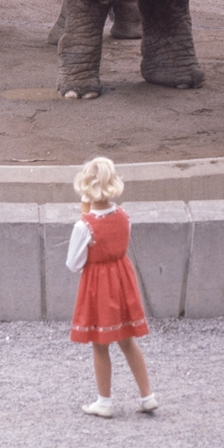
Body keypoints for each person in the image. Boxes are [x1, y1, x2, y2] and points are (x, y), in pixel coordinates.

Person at [67, 156, 157, 417]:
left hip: (98, 285)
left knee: (100, 343)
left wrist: (84, 218)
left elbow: (73, 263)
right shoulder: (123, 215)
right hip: (122, 279)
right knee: (128, 341)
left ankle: (104, 401)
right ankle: (147, 395)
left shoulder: (84, 226)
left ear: (85, 186)